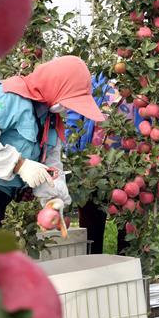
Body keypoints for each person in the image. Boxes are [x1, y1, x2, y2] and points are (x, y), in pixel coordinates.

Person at [0, 56, 105, 228]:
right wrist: (20, 165)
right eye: (69, 100)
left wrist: (53, 199)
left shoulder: (49, 120)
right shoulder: (9, 97)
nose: (69, 108)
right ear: (55, 85)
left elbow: (51, 165)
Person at [63, 73, 130, 255]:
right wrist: (73, 151)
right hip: (92, 169)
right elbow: (74, 117)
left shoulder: (144, 82)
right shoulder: (97, 80)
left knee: (130, 230)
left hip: (131, 170)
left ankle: (128, 279)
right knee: (91, 230)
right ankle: (93, 275)